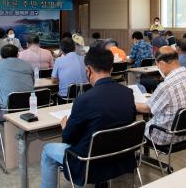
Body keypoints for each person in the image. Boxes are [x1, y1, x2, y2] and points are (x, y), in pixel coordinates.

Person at [41, 45, 136, 188]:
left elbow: (68, 138)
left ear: (88, 70)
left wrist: (65, 126)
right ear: (111, 68)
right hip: (121, 159)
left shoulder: (84, 99)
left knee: (48, 150)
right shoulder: (128, 93)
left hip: (87, 163)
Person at [135, 46, 186, 146]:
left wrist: (129, 101)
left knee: (133, 131)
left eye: (157, 65)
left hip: (166, 136)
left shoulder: (166, 86)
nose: (158, 68)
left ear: (162, 63)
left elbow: (147, 109)